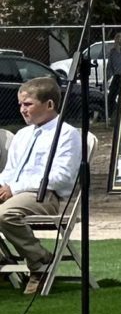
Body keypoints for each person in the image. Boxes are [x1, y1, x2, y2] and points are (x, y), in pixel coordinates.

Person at [0, 74, 82, 290]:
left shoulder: (66, 134)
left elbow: (62, 177)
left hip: (44, 196)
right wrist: (2, 185)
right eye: (20, 104)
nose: (22, 110)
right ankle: (2, 260)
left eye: (28, 104)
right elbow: (10, 171)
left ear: (49, 105)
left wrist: (15, 188)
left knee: (4, 214)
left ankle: (40, 261)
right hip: (14, 193)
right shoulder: (22, 135)